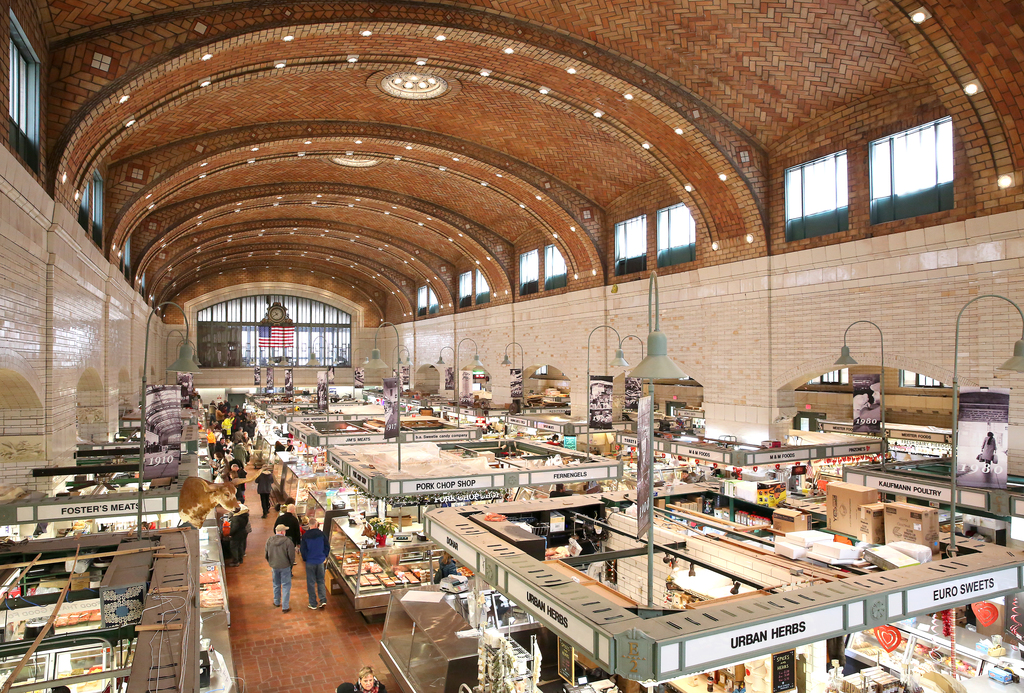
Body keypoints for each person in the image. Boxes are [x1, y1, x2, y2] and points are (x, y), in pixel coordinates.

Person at [300, 518, 329, 610]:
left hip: (310, 561)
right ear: (316, 525)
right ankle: (323, 600)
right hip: (320, 561)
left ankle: (312, 603)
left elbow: (303, 549)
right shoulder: (322, 534)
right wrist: (324, 555)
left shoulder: (305, 536)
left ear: (309, 525)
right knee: (321, 580)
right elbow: (327, 546)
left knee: (311, 582)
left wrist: (305, 558)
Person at [265, 524, 295, 612]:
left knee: (276, 584)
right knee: (286, 585)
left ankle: (276, 601)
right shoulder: (288, 541)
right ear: (282, 532)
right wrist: (290, 564)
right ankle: (285, 606)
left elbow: (266, 554)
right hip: (285, 566)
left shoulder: (269, 540)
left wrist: (271, 562)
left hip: (274, 566)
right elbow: (291, 556)